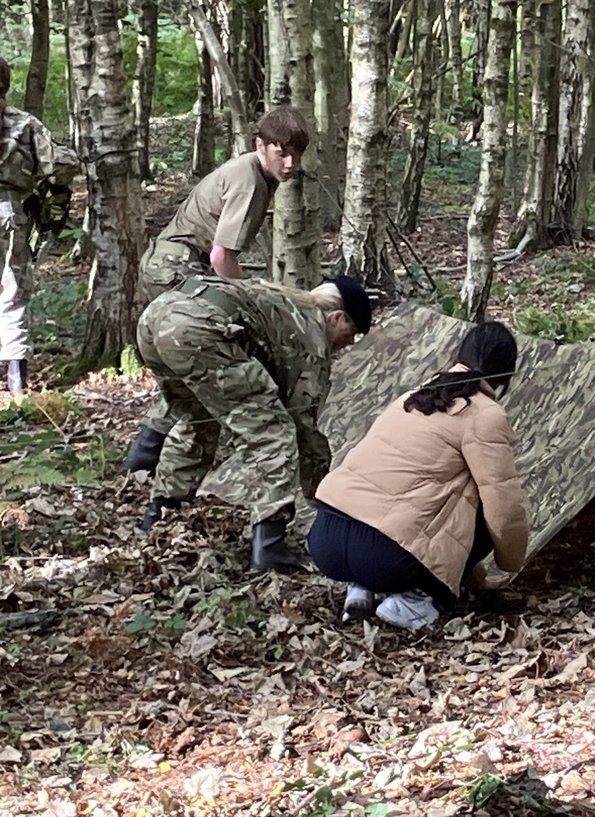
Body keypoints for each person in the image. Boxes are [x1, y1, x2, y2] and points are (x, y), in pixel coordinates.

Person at [136, 274, 371, 572]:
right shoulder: (310, 332)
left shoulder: (282, 300)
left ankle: (158, 516)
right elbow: (303, 426)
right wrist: (327, 499)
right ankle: (269, 546)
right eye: (351, 334)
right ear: (337, 317)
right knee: (274, 433)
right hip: (197, 330)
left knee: (197, 421)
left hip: (156, 318)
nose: (346, 345)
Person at [308, 321, 529, 630]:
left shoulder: (413, 397)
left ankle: (360, 589)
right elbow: (503, 507)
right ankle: (414, 601)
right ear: (506, 373)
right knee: (486, 503)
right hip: (382, 556)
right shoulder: (483, 414)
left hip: (325, 538)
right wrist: (512, 564)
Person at [123, 106, 309, 470]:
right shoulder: (250, 180)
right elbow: (222, 257)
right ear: (261, 145)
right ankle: (167, 459)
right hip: (178, 268)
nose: (290, 163)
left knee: (185, 372)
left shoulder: (251, 171)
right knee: (207, 359)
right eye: (281, 152)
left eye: (296, 154)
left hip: (170, 262)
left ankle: (146, 457)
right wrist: (249, 300)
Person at [0, 56, 80, 397]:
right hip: (7, 211)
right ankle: (16, 382)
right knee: (11, 293)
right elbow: (60, 166)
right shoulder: (22, 123)